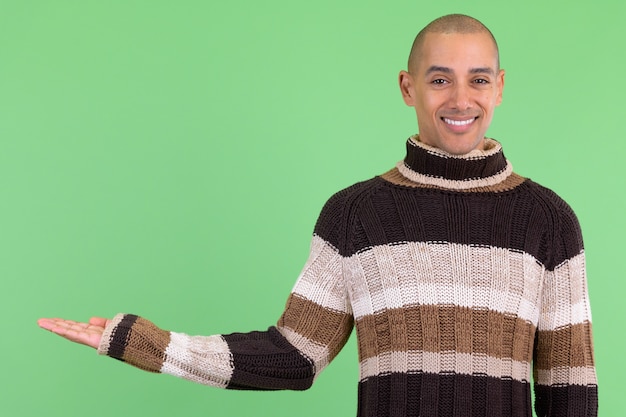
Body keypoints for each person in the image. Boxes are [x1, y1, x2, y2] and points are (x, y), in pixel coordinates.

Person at [37, 13, 598, 417]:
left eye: (478, 78)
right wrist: (150, 344)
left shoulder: (548, 221)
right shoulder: (355, 214)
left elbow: (569, 391)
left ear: (499, 88)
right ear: (408, 87)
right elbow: (295, 356)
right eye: (438, 78)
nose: (459, 97)